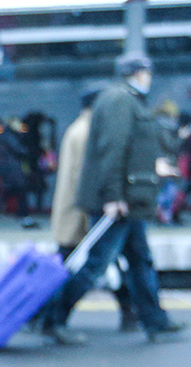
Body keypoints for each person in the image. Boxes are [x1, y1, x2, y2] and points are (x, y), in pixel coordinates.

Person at [49, 53, 187, 344]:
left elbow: (131, 152)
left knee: (140, 262)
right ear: (138, 73)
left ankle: (155, 321)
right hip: (117, 202)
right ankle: (53, 319)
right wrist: (112, 196)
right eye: (147, 72)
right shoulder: (119, 101)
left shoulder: (127, 101)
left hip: (129, 201)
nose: (149, 78)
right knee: (96, 265)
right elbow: (112, 150)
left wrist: (153, 167)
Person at [38, 89, 136, 341]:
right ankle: (49, 319)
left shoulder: (77, 128)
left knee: (100, 264)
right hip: (77, 215)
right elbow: (83, 181)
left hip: (72, 214)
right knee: (80, 269)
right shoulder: (86, 133)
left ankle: (130, 312)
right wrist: (89, 218)